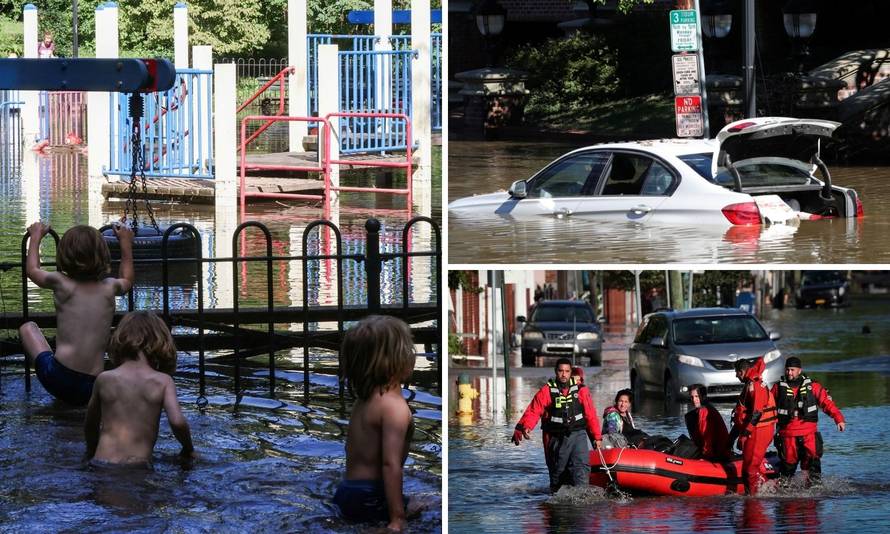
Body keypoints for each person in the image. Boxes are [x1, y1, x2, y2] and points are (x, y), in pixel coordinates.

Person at [19, 221, 134, 406]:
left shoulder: (60, 282)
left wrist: (35, 238)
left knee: (28, 327)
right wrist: (126, 244)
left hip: (58, 377)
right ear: (103, 256)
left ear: (64, 255)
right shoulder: (110, 287)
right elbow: (127, 279)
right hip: (93, 385)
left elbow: (32, 270)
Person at [334, 316, 416, 532]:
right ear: (397, 361)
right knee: (435, 505)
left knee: (423, 501)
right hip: (370, 496)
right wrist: (397, 519)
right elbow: (390, 465)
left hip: (346, 491)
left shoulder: (364, 401)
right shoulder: (394, 407)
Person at [84, 311, 193, 466]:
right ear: (161, 342)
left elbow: (91, 423)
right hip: (137, 466)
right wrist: (188, 449)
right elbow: (177, 422)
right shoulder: (162, 381)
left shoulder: (104, 378)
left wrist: (91, 451)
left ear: (119, 340)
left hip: (102, 462)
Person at [511, 358, 603, 493]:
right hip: (556, 437)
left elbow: (591, 414)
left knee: (581, 467)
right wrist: (525, 427)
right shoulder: (547, 391)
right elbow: (534, 410)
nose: (564, 374)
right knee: (558, 472)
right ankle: (558, 501)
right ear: (556, 372)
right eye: (561, 371)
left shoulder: (581, 390)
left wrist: (597, 437)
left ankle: (582, 500)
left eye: (567, 371)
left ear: (571, 372)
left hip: (578, 434)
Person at [770, 356, 845, 485]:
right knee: (787, 470)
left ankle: (815, 495)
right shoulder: (777, 388)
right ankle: (785, 497)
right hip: (788, 436)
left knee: (814, 468)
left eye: (792, 370)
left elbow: (826, 403)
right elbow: (767, 407)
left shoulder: (813, 386)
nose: (789, 373)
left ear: (800, 370)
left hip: (809, 434)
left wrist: (838, 419)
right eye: (787, 370)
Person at [729, 357, 777, 495]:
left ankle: (753, 499)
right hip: (755, 430)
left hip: (758, 430)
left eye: (737, 372)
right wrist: (734, 436)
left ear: (742, 371)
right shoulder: (750, 384)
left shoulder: (755, 385)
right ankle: (754, 493)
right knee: (748, 467)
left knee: (750, 468)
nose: (736, 376)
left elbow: (756, 414)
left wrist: (744, 435)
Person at [685, 384, 730, 462]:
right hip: (716, 451)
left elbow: (707, 436)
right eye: (692, 397)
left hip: (718, 454)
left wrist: (706, 456)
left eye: (697, 396)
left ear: (703, 397)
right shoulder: (702, 410)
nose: (694, 400)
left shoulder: (705, 411)